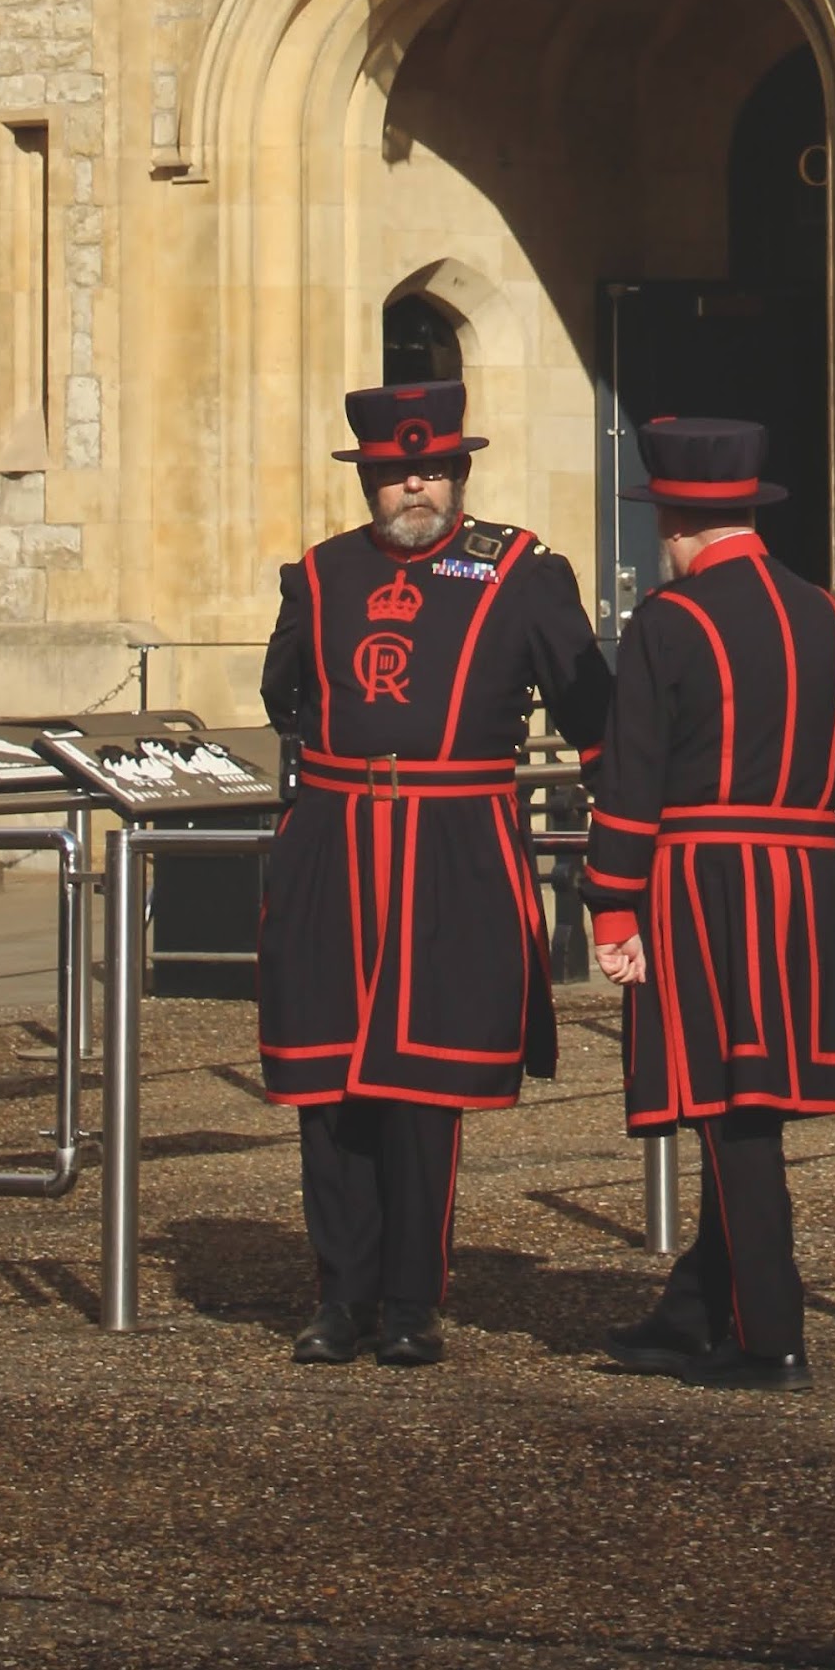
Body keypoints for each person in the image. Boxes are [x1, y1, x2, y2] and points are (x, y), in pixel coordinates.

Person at [583, 413, 835, 1389]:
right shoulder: (831, 616)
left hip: (701, 885)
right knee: (746, 1105)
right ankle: (692, 1312)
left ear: (673, 520)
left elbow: (630, 779)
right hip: (800, 883)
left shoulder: (667, 623)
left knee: (732, 1111)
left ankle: (769, 1336)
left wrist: (611, 905)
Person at [260, 380, 611, 1370]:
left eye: (432, 470)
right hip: (335, 846)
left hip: (455, 849)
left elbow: (592, 710)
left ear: (458, 472)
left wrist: (630, 843)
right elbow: (285, 693)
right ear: (368, 480)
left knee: (421, 1084)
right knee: (330, 1081)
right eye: (394, 473)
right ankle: (340, 1295)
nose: (414, 487)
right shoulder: (320, 574)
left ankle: (412, 1300)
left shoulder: (521, 571)